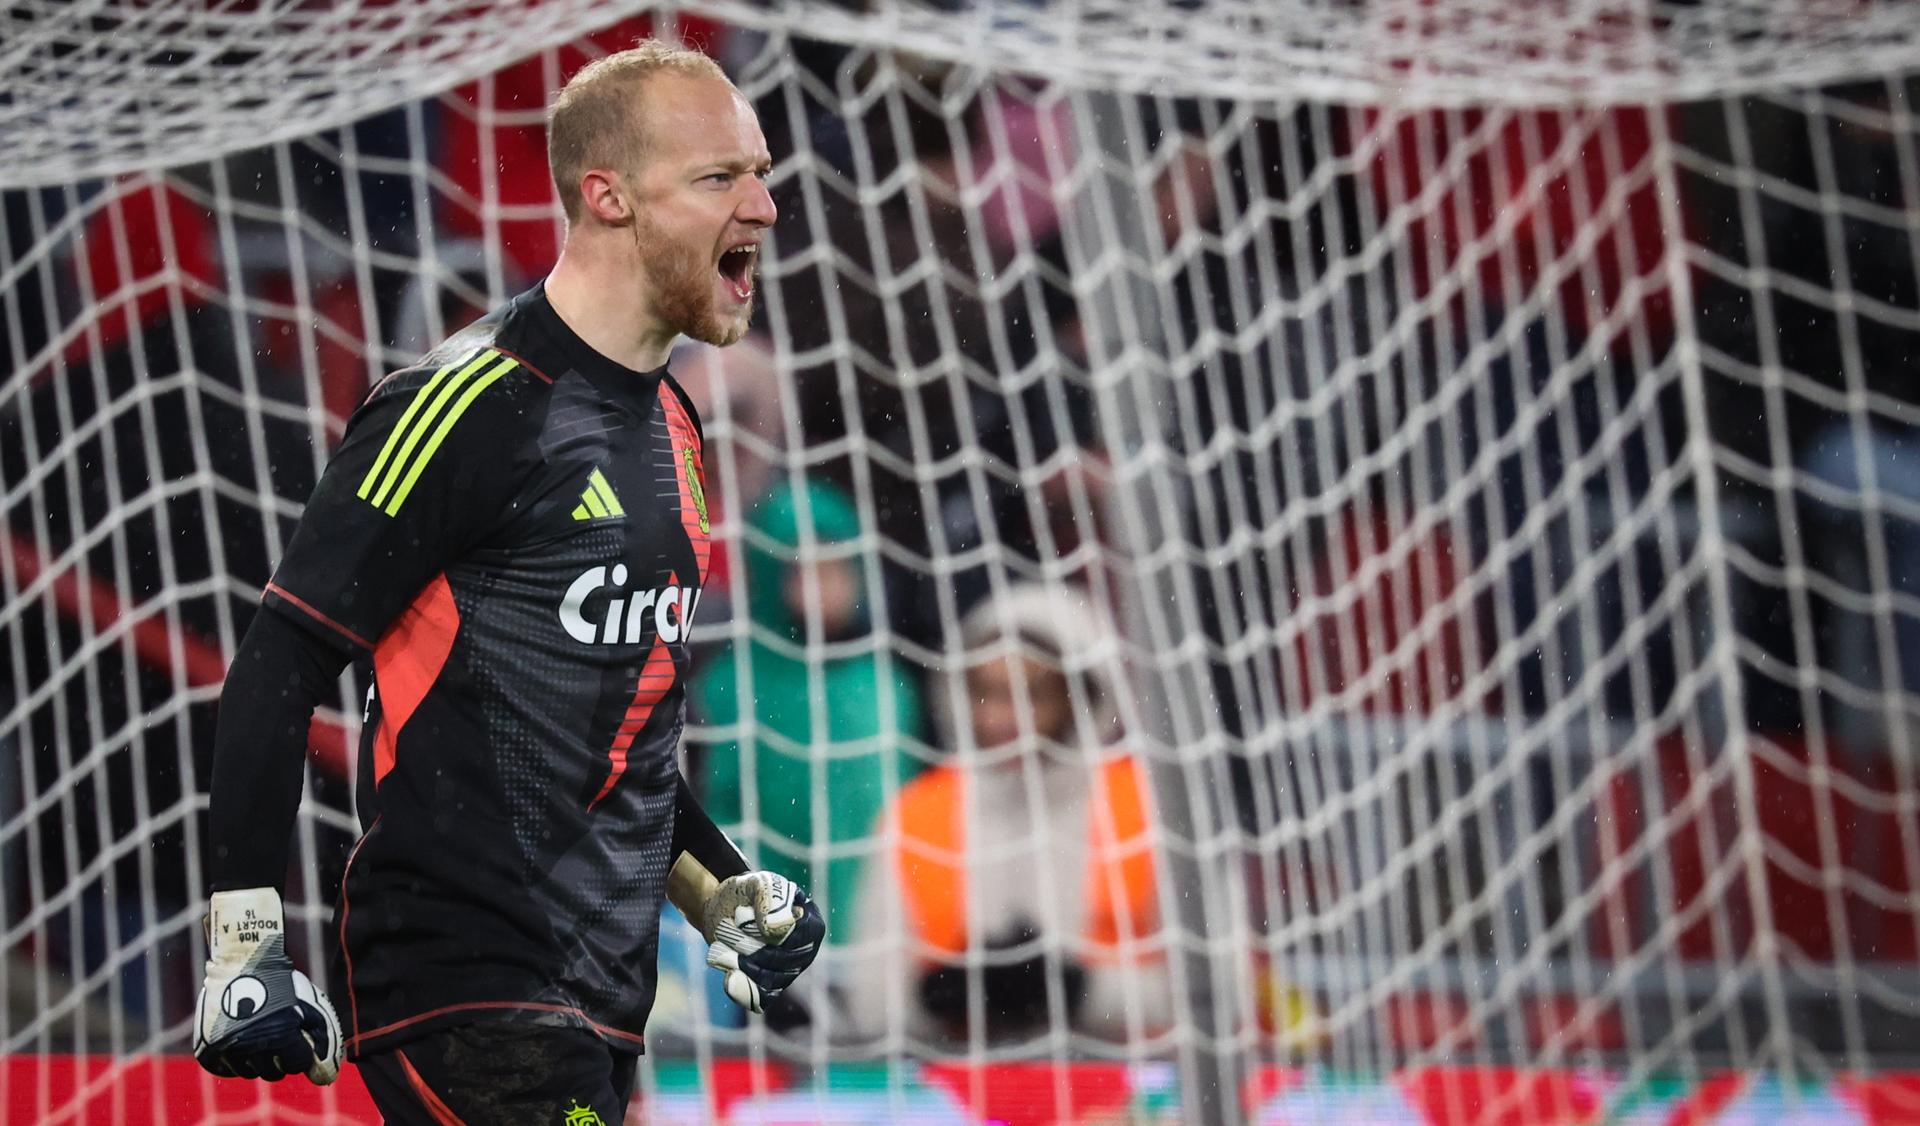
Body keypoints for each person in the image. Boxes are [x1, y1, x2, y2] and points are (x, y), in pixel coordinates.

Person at [190, 40, 823, 1123]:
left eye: (762, 172)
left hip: (599, 1000)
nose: (763, 207)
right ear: (607, 196)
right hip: (466, 979)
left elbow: (599, 739)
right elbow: (282, 656)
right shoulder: (465, 402)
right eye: (722, 177)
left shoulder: (674, 427)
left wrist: (720, 888)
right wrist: (244, 941)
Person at [842, 583, 1170, 1049]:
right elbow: (870, 1000)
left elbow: (1217, 991)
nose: (1000, 718)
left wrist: (1083, 991)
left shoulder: (1147, 807)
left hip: (1127, 1089)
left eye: (1031, 695)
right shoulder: (916, 814)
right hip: (960, 1092)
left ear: (1082, 697)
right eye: (986, 693)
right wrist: (939, 996)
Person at [691, 476, 925, 958]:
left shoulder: (885, 683)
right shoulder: (730, 685)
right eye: (805, 572)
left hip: (878, 922)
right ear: (771, 575)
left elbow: (907, 803)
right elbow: (720, 807)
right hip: (765, 924)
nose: (828, 589)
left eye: (839, 568)